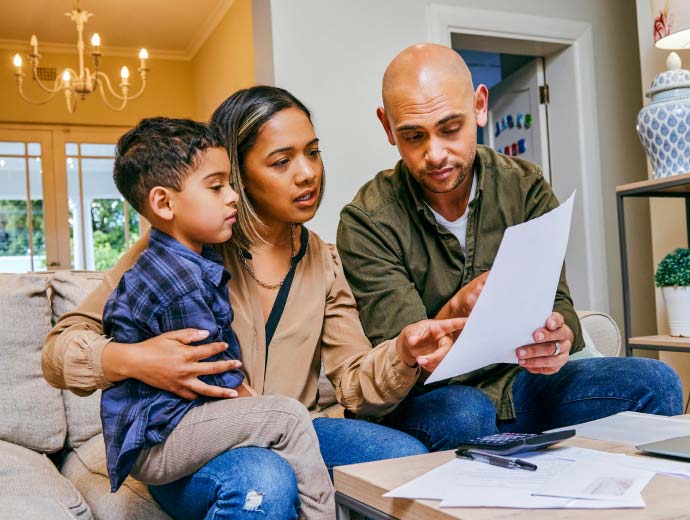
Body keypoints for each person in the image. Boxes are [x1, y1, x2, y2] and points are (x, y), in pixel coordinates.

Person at [42, 86, 465, 519]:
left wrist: (403, 354)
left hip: (296, 426)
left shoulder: (323, 259)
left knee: (403, 459)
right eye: (282, 161)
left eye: (313, 153)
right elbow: (59, 351)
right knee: (264, 478)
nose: (307, 174)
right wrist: (132, 360)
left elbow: (354, 384)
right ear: (238, 174)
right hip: (198, 438)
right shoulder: (180, 246)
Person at [337, 43, 683, 451]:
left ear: (480, 106)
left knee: (656, 382)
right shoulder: (367, 220)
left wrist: (559, 336)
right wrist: (457, 308)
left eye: (450, 129)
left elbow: (560, 302)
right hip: (437, 399)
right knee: (465, 412)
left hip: (522, 384)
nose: (435, 155)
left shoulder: (524, 185)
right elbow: (405, 360)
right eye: (413, 136)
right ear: (387, 127)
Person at [99, 117, 335, 519]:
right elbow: (215, 370)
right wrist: (255, 404)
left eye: (230, 184)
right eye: (216, 187)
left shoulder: (192, 257)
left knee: (279, 419)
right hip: (163, 439)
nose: (233, 198)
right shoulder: (175, 279)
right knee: (287, 417)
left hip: (174, 426)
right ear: (163, 202)